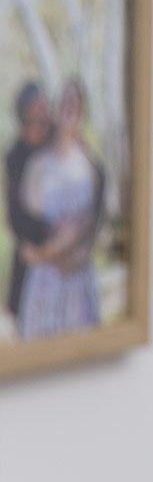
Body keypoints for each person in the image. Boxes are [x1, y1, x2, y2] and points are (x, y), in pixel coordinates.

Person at [16, 79, 105, 342]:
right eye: (65, 99)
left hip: (78, 283)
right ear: (55, 108)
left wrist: (77, 252)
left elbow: (95, 227)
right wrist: (48, 252)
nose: (70, 106)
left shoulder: (92, 167)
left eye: (76, 102)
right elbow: (26, 233)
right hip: (45, 283)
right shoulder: (37, 164)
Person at [5, 82, 53, 322]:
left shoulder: (57, 142)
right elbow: (14, 214)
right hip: (29, 252)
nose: (43, 112)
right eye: (38, 107)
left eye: (45, 106)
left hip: (60, 247)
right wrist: (38, 248)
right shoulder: (15, 156)